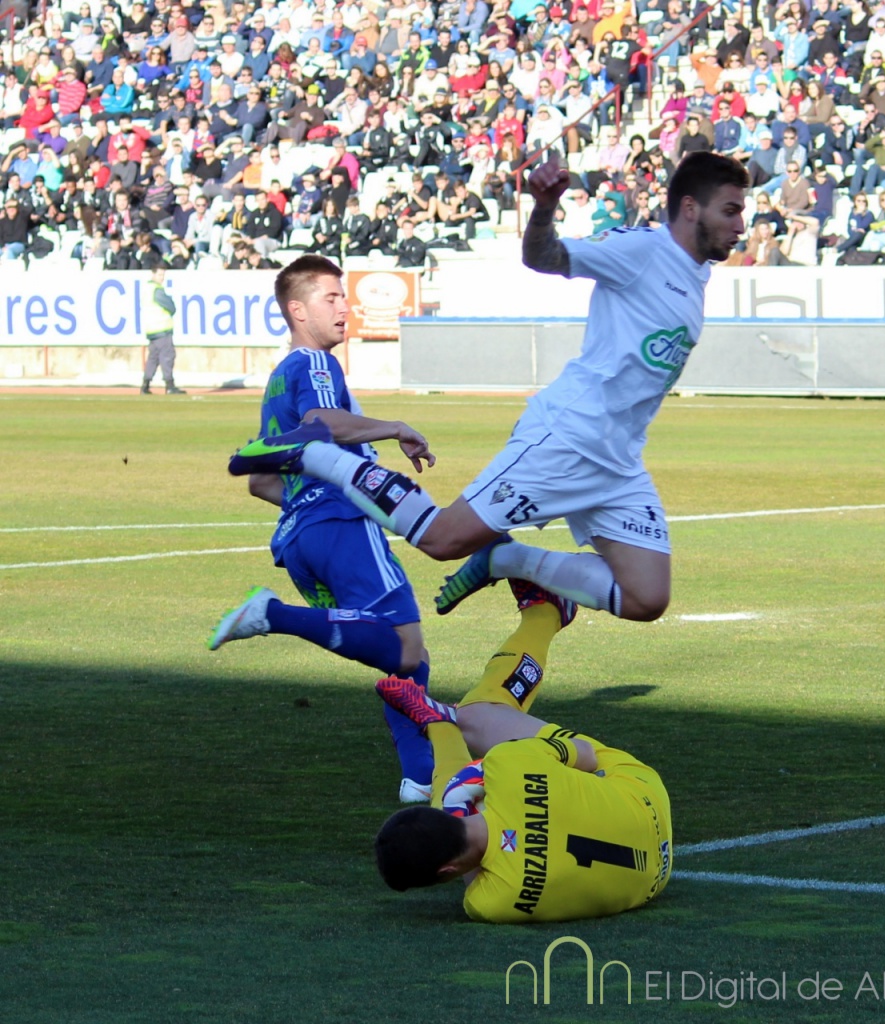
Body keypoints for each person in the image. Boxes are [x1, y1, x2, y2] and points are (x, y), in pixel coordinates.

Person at [228, 152, 748, 625]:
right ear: (689, 208)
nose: (740, 225)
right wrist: (544, 207)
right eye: (729, 211)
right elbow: (543, 256)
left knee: (646, 598)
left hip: (618, 458)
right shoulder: (640, 249)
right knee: (441, 539)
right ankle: (328, 462)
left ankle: (507, 557)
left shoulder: (695, 271)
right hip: (568, 437)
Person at [208, 255, 437, 805]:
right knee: (405, 650)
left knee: (402, 655)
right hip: (341, 525)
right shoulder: (315, 363)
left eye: (344, 297)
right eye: (331, 298)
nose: (344, 307)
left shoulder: (277, 380)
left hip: (299, 539)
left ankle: (419, 779)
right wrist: (395, 427)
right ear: (297, 310)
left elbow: (261, 481)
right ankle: (273, 614)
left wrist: (307, 503)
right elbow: (324, 425)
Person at [373, 581, 672, 923]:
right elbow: (587, 756)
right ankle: (545, 613)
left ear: (447, 871)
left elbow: (472, 866)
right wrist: (501, 784)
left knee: (457, 793)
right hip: (644, 796)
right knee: (475, 715)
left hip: (653, 876)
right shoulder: (508, 764)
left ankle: (438, 723)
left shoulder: (489, 905)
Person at [140, 266, 184, 395]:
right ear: (153, 274)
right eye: (160, 275)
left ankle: (145, 385)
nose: (162, 278)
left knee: (153, 358)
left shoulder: (146, 288)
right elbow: (171, 306)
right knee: (167, 356)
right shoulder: (157, 290)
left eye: (163, 275)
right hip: (162, 327)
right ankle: (169, 385)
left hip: (151, 328)